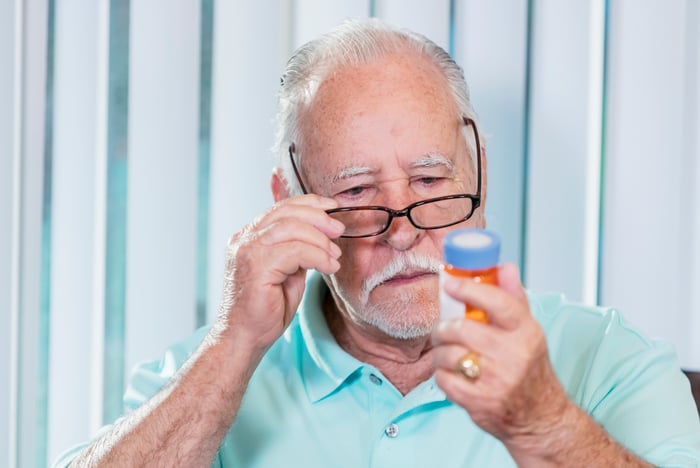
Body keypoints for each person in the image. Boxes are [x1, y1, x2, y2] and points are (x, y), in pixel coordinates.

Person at [56, 18, 700, 467]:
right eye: (360, 192)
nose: (403, 228)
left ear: (478, 172)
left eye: (429, 178)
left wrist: (546, 426)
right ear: (291, 201)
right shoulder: (210, 369)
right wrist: (230, 350)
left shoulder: (610, 359)